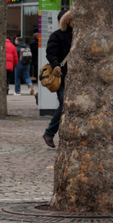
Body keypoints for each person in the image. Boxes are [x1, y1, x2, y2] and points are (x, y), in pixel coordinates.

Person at [42, 10, 73, 149]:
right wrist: (56, 65)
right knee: (64, 105)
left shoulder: (80, 35)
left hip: (77, 76)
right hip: (62, 75)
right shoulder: (57, 36)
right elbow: (51, 53)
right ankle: (49, 133)